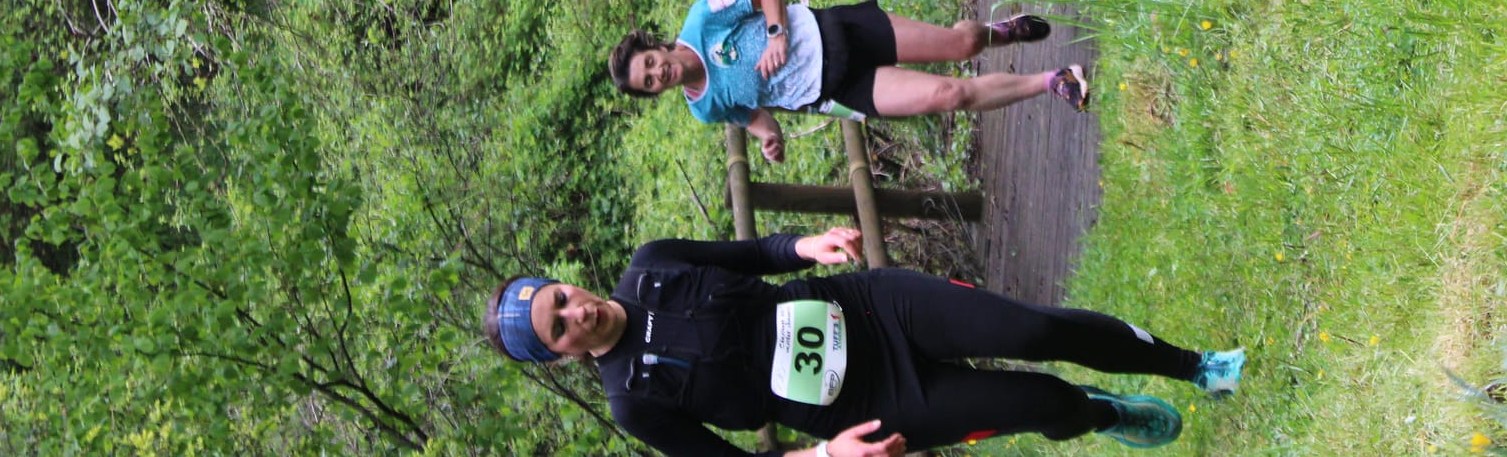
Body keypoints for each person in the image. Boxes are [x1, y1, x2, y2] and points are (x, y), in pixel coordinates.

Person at [483, 225, 1247, 456]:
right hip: (870, 405)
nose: (575, 312)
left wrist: (804, 245)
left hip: (868, 307)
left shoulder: (650, 266)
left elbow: (747, 256)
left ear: (563, 280)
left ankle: (1196, 364)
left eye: (560, 298)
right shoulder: (633, 403)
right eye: (558, 328)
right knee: (1039, 400)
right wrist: (824, 455)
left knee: (1035, 327)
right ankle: (1102, 413)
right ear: (559, 354)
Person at [606, 0, 1088, 158]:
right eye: (649, 82)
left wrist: (776, 34)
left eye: (651, 63)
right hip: (837, 89)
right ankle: (1052, 81)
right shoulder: (704, 107)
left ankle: (997, 32)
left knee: (962, 45)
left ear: (656, 48)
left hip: (835, 32)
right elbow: (753, 115)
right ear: (654, 93)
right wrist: (769, 138)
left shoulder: (702, 18)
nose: (658, 73)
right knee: (950, 96)